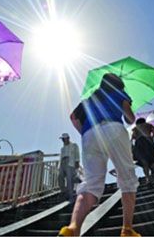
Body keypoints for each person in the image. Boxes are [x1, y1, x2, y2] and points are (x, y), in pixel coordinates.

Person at [58, 73, 140, 237]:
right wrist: (128, 113)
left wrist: (84, 132)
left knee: (91, 184)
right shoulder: (120, 93)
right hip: (114, 129)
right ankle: (127, 230)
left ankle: (72, 228)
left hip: (90, 134)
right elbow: (131, 118)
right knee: (127, 178)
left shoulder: (89, 99)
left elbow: (73, 117)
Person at [131, 118, 154, 183]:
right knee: (153, 160)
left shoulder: (135, 128)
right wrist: (152, 137)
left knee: (144, 162)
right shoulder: (149, 125)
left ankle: (147, 178)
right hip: (148, 141)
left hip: (139, 143)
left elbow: (133, 137)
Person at [59, 133, 80, 203]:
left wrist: (77, 162)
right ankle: (64, 192)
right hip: (63, 163)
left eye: (63, 139)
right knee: (60, 177)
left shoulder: (74, 145)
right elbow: (61, 157)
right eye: (62, 139)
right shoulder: (62, 148)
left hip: (70, 162)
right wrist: (60, 166)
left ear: (68, 138)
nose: (62, 140)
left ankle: (71, 197)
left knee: (69, 179)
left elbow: (77, 153)